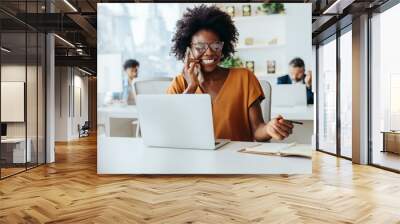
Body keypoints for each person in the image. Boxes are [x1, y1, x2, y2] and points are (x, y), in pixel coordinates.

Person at [166, 5, 293, 142]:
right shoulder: (180, 84)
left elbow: (257, 130)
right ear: (188, 50)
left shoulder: (244, 78)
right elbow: (170, 129)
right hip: (194, 160)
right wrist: (191, 87)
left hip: (237, 160)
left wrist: (269, 129)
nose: (209, 52)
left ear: (223, 47)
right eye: (200, 47)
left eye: (216, 46)